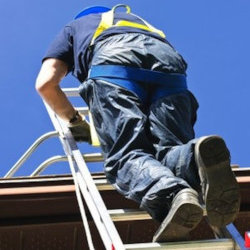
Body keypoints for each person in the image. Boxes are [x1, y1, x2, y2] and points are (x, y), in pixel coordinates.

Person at [36, 4, 240, 242]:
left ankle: (172, 195)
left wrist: (75, 120)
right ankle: (194, 158)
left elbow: (46, 83)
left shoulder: (75, 27)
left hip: (114, 66)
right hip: (169, 68)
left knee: (125, 157)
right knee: (168, 153)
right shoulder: (142, 24)